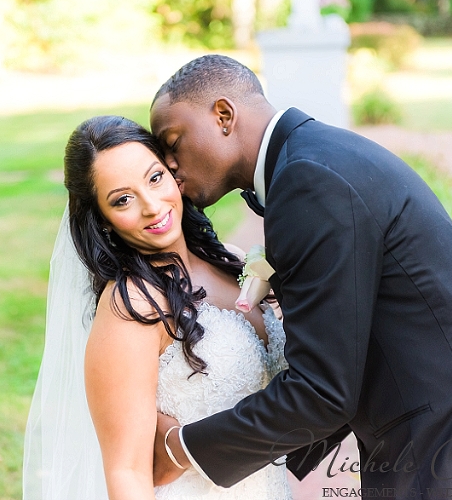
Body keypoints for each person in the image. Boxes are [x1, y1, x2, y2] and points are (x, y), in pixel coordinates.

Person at [149, 54, 452, 499]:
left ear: (224, 115)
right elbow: (346, 355)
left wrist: (180, 449)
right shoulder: (319, 156)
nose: (170, 167)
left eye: (173, 143)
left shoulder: (308, 181)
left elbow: (323, 391)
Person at [23, 115, 295, 500]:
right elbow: (127, 473)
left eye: (154, 178)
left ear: (173, 174)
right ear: (102, 219)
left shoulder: (233, 262)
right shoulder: (132, 306)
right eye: (123, 199)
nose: (152, 206)